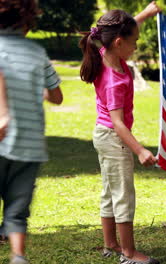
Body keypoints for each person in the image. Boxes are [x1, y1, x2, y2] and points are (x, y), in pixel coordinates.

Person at [79, 2, 161, 264]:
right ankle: (128, 254)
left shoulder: (105, 51)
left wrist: (145, 14)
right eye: (134, 41)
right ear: (118, 43)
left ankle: (110, 244)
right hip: (114, 139)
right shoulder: (113, 78)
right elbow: (119, 123)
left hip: (103, 136)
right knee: (123, 193)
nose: (136, 45)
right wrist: (140, 149)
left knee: (110, 190)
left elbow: (117, 30)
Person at [0, 0, 64, 263]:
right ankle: (18, 256)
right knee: (17, 209)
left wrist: (4, 112)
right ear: (27, 22)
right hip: (30, 144)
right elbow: (57, 96)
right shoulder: (36, 53)